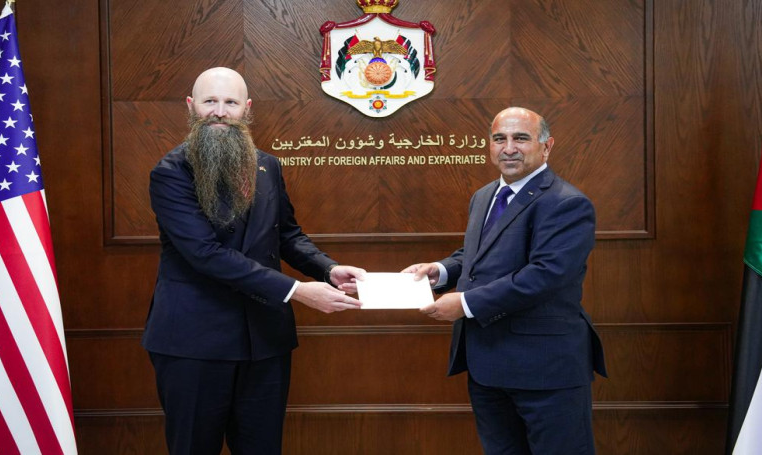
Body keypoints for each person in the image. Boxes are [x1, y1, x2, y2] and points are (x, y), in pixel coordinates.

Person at [142, 67, 366, 454]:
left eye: (230, 102)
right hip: (194, 344)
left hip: (263, 342)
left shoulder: (268, 165)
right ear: (191, 106)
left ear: (246, 109)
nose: (219, 111)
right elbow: (206, 254)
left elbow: (286, 234)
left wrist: (327, 269)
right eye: (210, 101)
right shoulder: (170, 172)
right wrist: (297, 291)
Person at [403, 106, 606, 455]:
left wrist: (466, 303)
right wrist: (442, 270)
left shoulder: (567, 203)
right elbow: (479, 256)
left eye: (520, 138)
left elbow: (545, 275)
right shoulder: (484, 196)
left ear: (546, 147)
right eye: (500, 139)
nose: (508, 148)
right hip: (488, 366)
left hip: (546, 370)